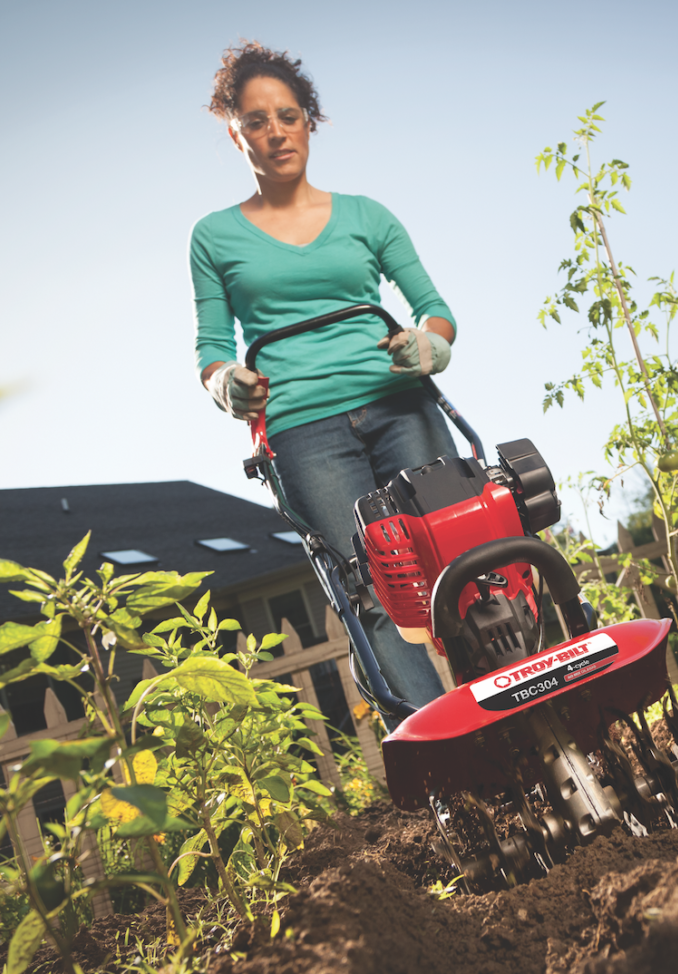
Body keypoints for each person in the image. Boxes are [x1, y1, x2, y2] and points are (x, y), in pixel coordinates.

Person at [190, 41, 455, 711]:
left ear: (310, 120)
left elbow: (435, 310)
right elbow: (214, 348)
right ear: (233, 132)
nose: (275, 132)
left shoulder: (368, 216)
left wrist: (427, 346)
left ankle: (518, 710)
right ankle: (451, 749)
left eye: (287, 115)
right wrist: (227, 384)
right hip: (303, 432)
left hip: (400, 406)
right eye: (255, 120)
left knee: (456, 557)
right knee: (374, 588)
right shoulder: (213, 236)